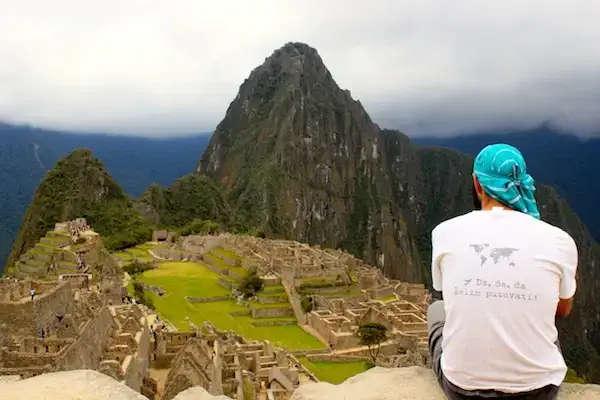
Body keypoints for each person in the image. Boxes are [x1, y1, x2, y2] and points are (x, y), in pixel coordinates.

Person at [427, 144, 578, 399]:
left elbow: (447, 293)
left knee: (437, 309)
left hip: (462, 389)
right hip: (538, 391)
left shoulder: (444, 232)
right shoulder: (559, 240)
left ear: (477, 184)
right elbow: (562, 309)